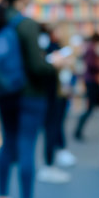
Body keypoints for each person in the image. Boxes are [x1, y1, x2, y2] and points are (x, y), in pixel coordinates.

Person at [0, 0, 61, 198]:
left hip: (5, 93)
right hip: (30, 95)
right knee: (27, 147)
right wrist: (56, 64)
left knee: (8, 143)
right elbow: (38, 67)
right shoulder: (27, 24)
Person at [38, 26, 77, 184]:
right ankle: (48, 165)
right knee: (51, 127)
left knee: (56, 125)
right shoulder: (47, 49)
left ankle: (54, 159)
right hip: (51, 95)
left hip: (58, 94)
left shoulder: (58, 49)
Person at [73, 33, 99, 141]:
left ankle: (78, 131)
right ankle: (78, 131)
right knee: (90, 108)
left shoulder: (89, 48)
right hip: (91, 81)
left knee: (93, 106)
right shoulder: (91, 48)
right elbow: (91, 65)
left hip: (90, 80)